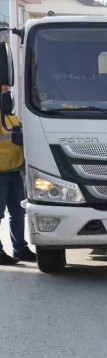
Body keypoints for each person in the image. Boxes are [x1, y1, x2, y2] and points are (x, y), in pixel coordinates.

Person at [0, 87, 35, 264]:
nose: (7, 101)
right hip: (0, 173)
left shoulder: (13, 119)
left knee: (18, 212)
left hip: (15, 172)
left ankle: (20, 248)